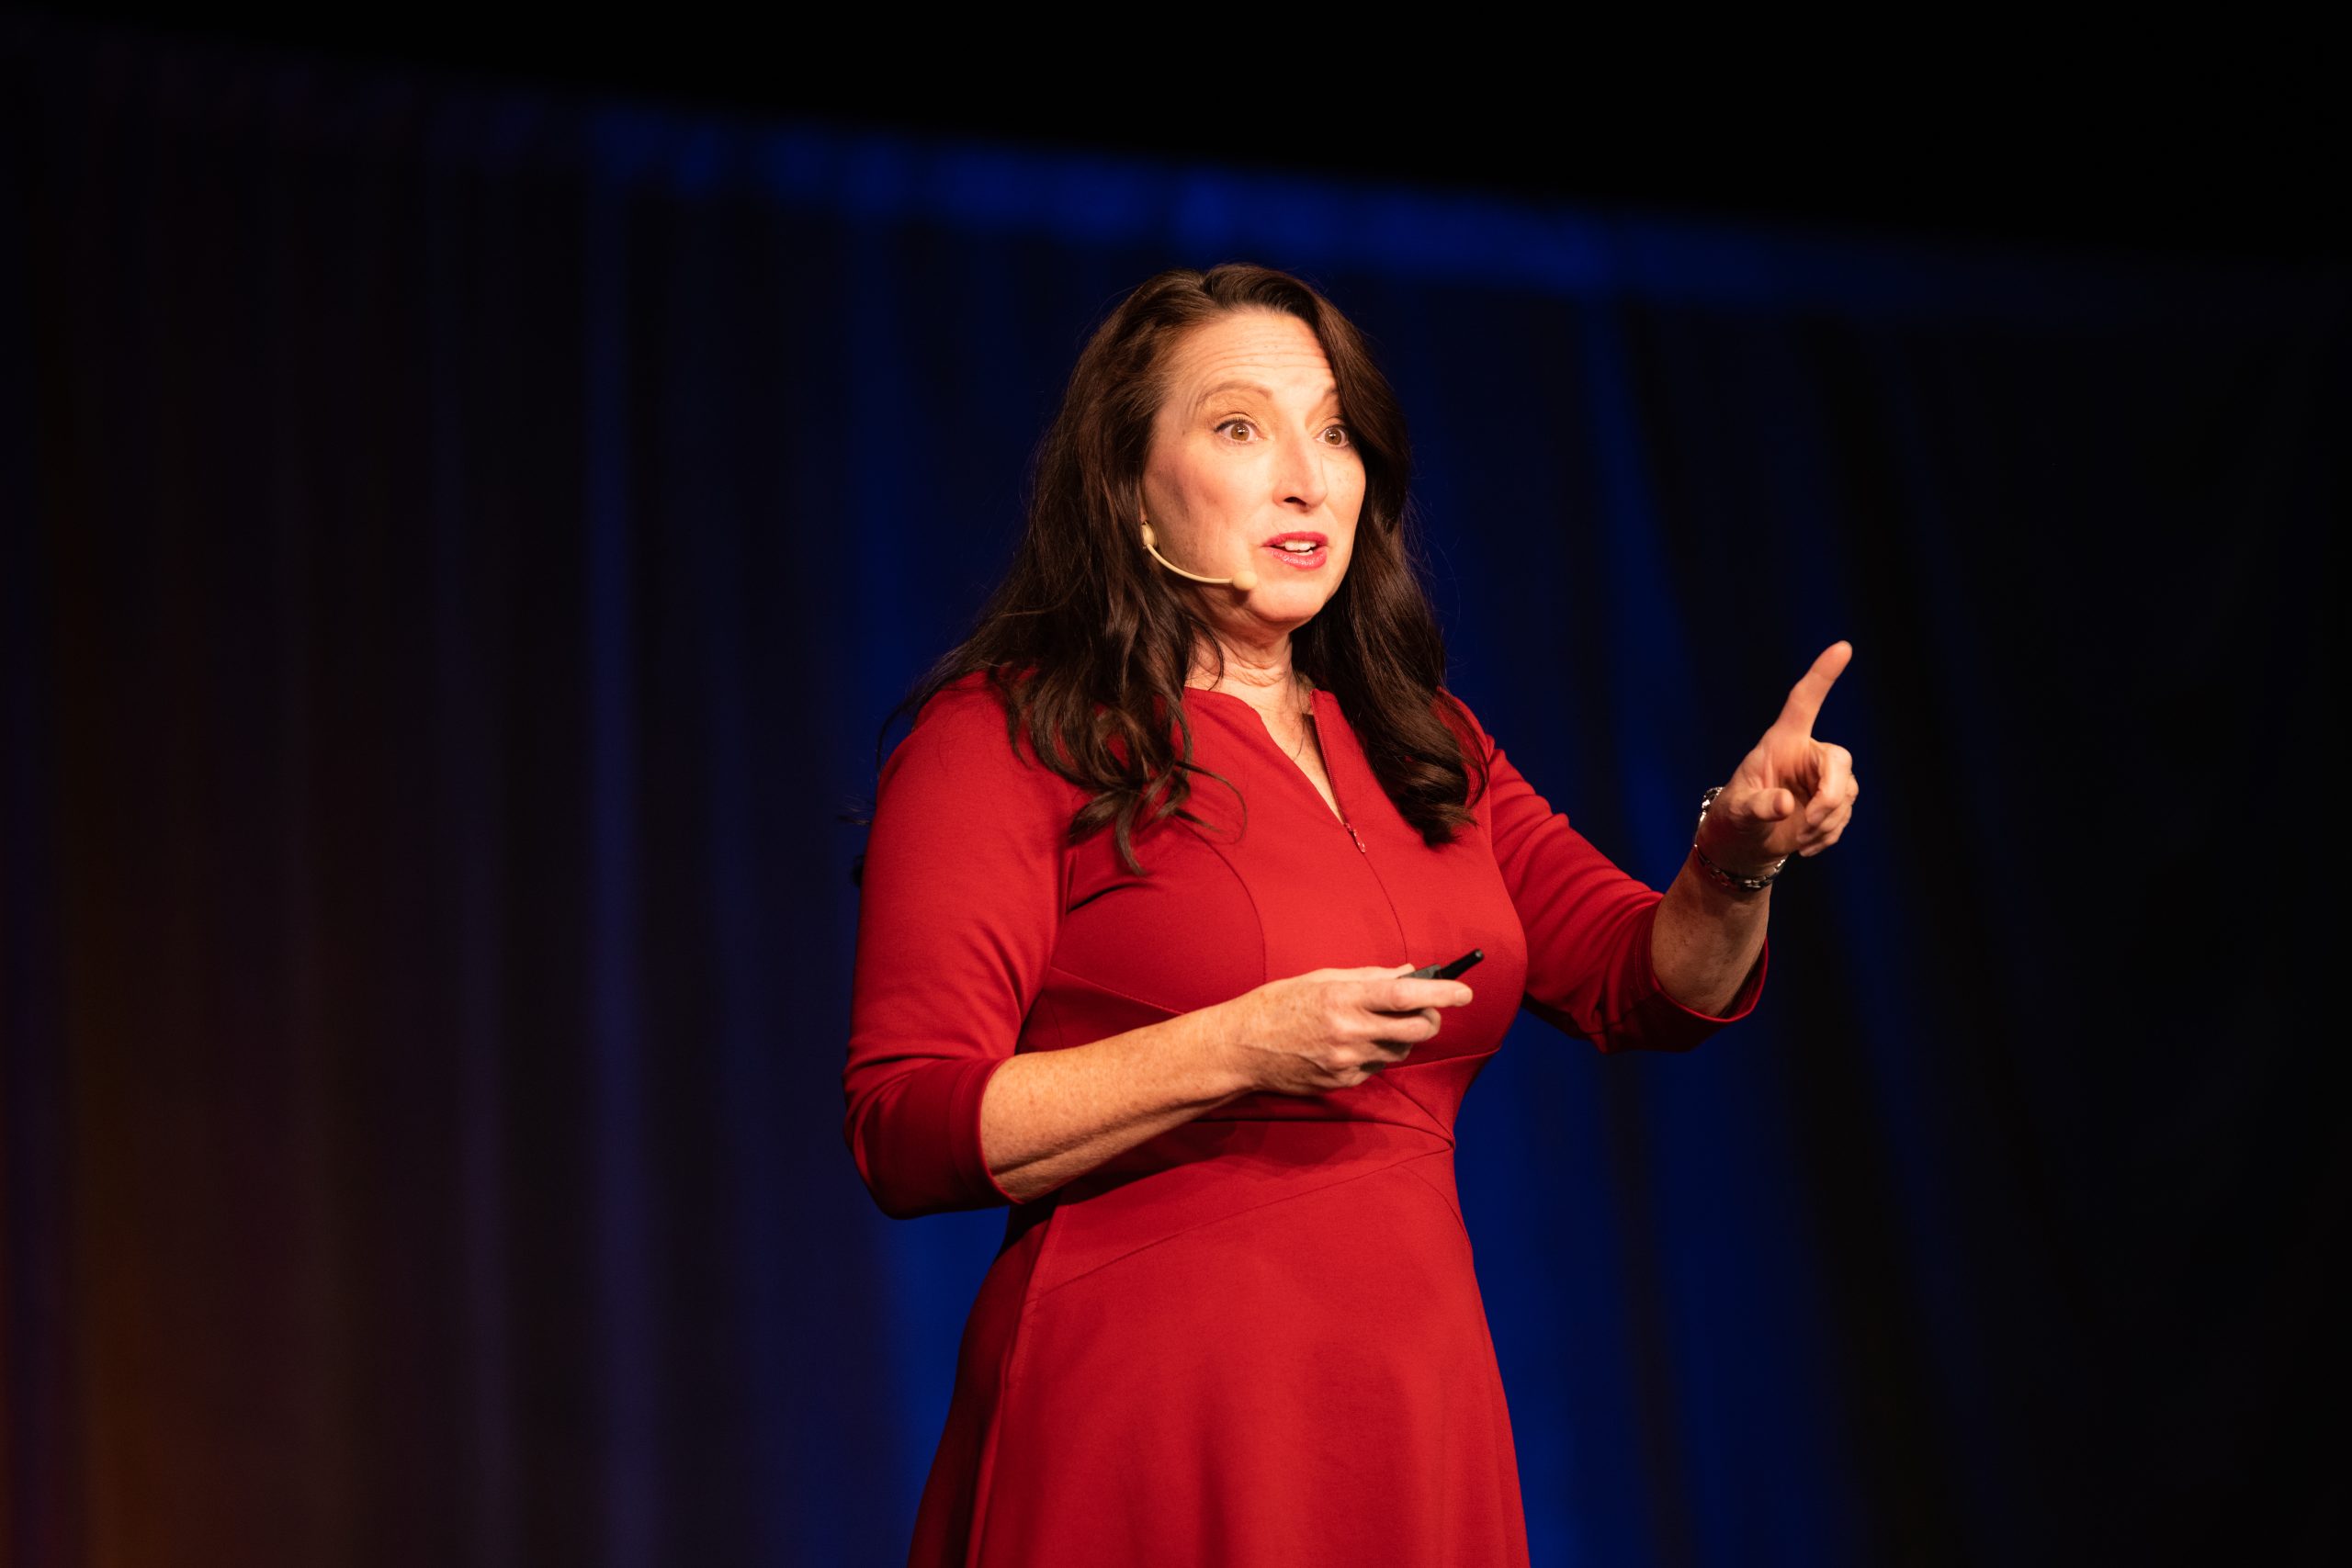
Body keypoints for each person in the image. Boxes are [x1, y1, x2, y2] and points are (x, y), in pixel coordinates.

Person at [842, 264, 1858, 1566]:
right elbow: (905, 1125)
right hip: (1153, 1406)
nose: (1306, 479)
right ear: (1125, 479)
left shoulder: (1425, 741)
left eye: (1333, 433)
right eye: (1239, 427)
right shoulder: (1004, 737)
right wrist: (1239, 1047)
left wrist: (1734, 861)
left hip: (1410, 1396)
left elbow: (1647, 986)